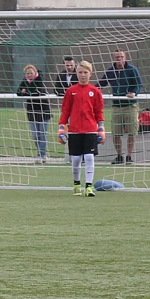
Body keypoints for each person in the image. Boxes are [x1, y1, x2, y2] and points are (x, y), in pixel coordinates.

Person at [58, 61, 106, 197]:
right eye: (80, 72)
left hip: (90, 130)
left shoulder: (95, 92)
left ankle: (89, 187)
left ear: (90, 74)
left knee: (89, 157)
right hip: (74, 130)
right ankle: (76, 184)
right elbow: (65, 111)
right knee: (76, 159)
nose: (83, 75)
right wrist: (62, 127)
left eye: (85, 72)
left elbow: (99, 111)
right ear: (76, 73)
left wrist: (101, 128)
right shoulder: (71, 91)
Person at [98, 49, 142, 164]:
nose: (119, 59)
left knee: (132, 132)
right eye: (117, 57)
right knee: (116, 133)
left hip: (130, 105)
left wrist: (134, 93)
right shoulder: (111, 71)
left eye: (121, 56)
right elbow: (101, 83)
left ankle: (129, 155)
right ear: (114, 58)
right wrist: (91, 90)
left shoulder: (132, 70)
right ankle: (119, 155)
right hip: (116, 106)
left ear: (125, 57)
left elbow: (138, 84)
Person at [16, 64, 51, 162]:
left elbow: (36, 92)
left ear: (35, 73)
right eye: (27, 73)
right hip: (31, 111)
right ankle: (40, 152)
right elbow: (18, 92)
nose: (29, 75)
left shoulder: (39, 80)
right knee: (35, 136)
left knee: (42, 134)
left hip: (43, 111)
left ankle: (42, 155)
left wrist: (26, 92)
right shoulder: (25, 81)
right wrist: (26, 92)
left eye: (31, 73)